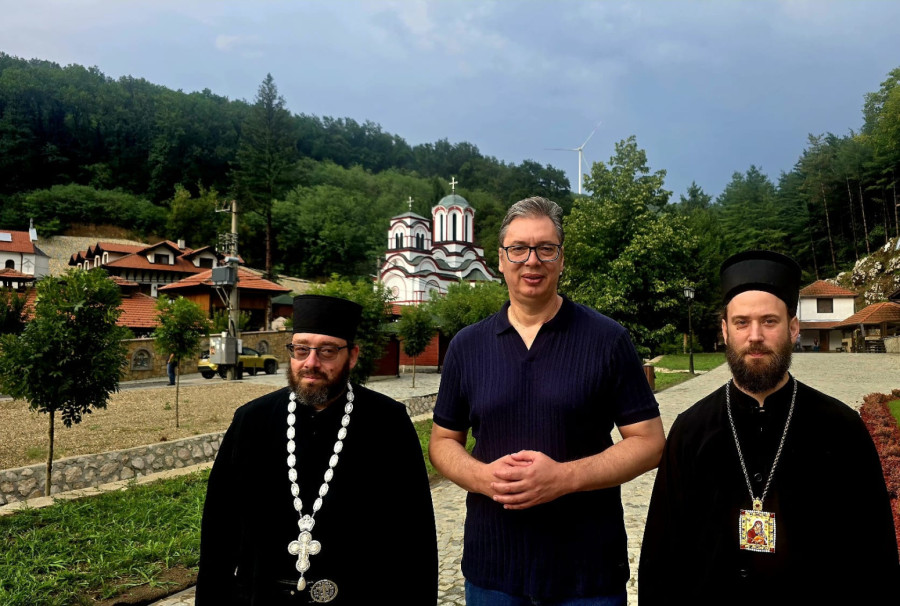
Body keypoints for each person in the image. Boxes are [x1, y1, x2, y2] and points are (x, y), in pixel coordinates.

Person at [429, 196, 665, 605]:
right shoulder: (467, 346)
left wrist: (564, 478)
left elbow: (650, 442)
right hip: (493, 570)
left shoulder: (607, 340)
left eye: (546, 248)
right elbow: (442, 442)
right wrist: (484, 478)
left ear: (561, 258)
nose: (532, 261)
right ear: (500, 259)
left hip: (587, 571)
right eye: (518, 248)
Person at [639, 250, 899, 605]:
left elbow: (876, 556)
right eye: (742, 322)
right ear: (725, 331)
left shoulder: (842, 429)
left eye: (769, 321)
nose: (755, 336)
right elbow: (661, 557)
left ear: (793, 329)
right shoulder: (690, 430)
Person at [196, 294, 438, 605]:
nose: (311, 362)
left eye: (327, 351)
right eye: (301, 349)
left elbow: (415, 536)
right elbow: (219, 531)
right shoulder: (251, 420)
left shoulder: (388, 422)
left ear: (352, 356)